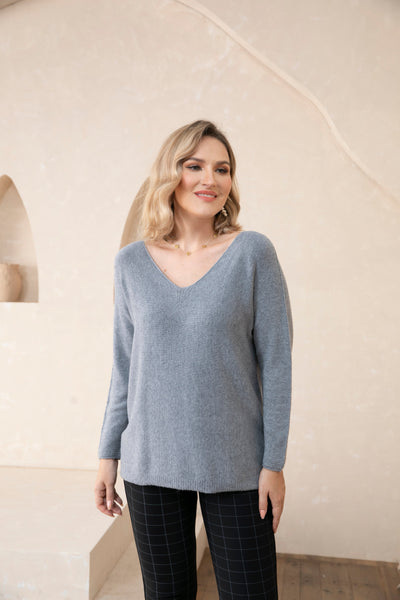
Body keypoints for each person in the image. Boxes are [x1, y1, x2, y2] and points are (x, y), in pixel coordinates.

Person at [94, 119, 293, 600]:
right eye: (195, 166)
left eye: (222, 169)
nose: (211, 179)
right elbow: (124, 367)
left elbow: (277, 364)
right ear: (171, 173)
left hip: (237, 465)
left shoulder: (253, 253)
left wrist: (274, 463)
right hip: (149, 462)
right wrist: (107, 455)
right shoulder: (130, 264)